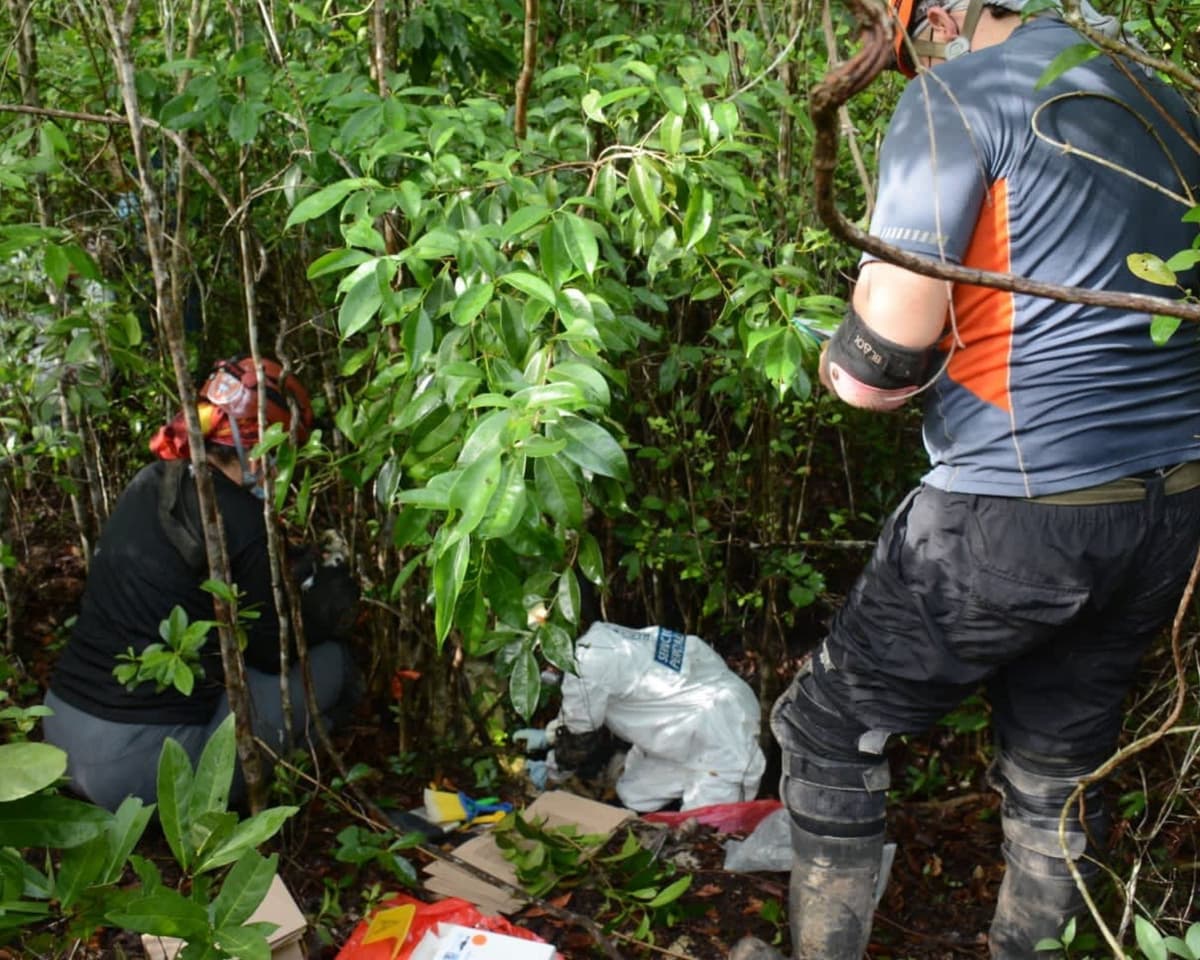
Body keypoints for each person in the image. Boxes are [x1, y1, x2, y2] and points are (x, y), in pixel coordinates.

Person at [733, 1, 1200, 958]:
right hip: (1172, 508)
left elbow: (877, 371)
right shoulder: (1168, 99)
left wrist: (842, 360)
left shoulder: (962, 96)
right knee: (1058, 760)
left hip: (1015, 506)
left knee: (826, 732)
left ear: (937, 15)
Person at [44, 355, 360, 811]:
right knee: (333, 665)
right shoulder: (243, 518)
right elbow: (276, 653)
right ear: (262, 448)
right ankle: (273, 795)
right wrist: (329, 607)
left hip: (61, 735)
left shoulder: (149, 481)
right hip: (135, 768)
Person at [516, 622, 767, 811]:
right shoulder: (603, 639)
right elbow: (583, 706)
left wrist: (552, 772)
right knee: (633, 793)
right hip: (686, 729)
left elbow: (580, 738)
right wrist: (550, 734)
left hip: (725, 735)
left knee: (706, 835)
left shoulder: (584, 666)